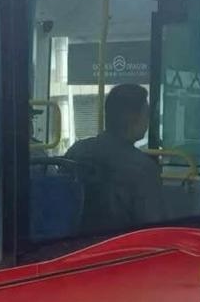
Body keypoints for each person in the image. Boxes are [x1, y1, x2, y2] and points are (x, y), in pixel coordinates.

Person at [65, 84, 163, 233]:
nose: (148, 121)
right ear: (133, 118)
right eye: (146, 114)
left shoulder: (76, 151)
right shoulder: (143, 168)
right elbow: (155, 228)